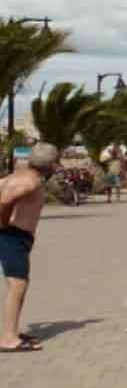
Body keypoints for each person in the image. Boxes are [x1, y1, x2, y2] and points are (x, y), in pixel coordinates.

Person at [0, 143, 56, 352]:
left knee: (18, 285)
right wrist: (4, 221)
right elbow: (5, 200)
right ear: (49, 164)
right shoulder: (30, 182)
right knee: (17, 286)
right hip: (13, 236)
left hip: (16, 236)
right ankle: (7, 338)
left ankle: (11, 331)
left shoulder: (19, 176)